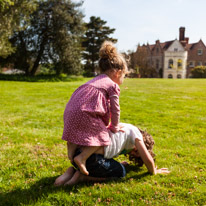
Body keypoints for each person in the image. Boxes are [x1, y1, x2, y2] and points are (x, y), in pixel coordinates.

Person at [62, 41, 128, 176]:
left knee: (80, 128)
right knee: (103, 135)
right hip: (85, 115)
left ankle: (72, 151)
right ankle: (81, 157)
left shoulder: (94, 81)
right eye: (124, 76)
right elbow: (115, 109)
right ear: (118, 72)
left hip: (70, 112)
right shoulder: (112, 85)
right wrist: (114, 127)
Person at [55, 123, 170, 186]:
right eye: (137, 151)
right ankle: (82, 177)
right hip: (91, 159)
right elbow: (147, 158)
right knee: (121, 172)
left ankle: (71, 172)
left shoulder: (123, 130)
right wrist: (154, 171)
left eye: (135, 155)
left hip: (79, 153)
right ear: (142, 139)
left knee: (115, 165)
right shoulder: (135, 133)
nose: (134, 153)